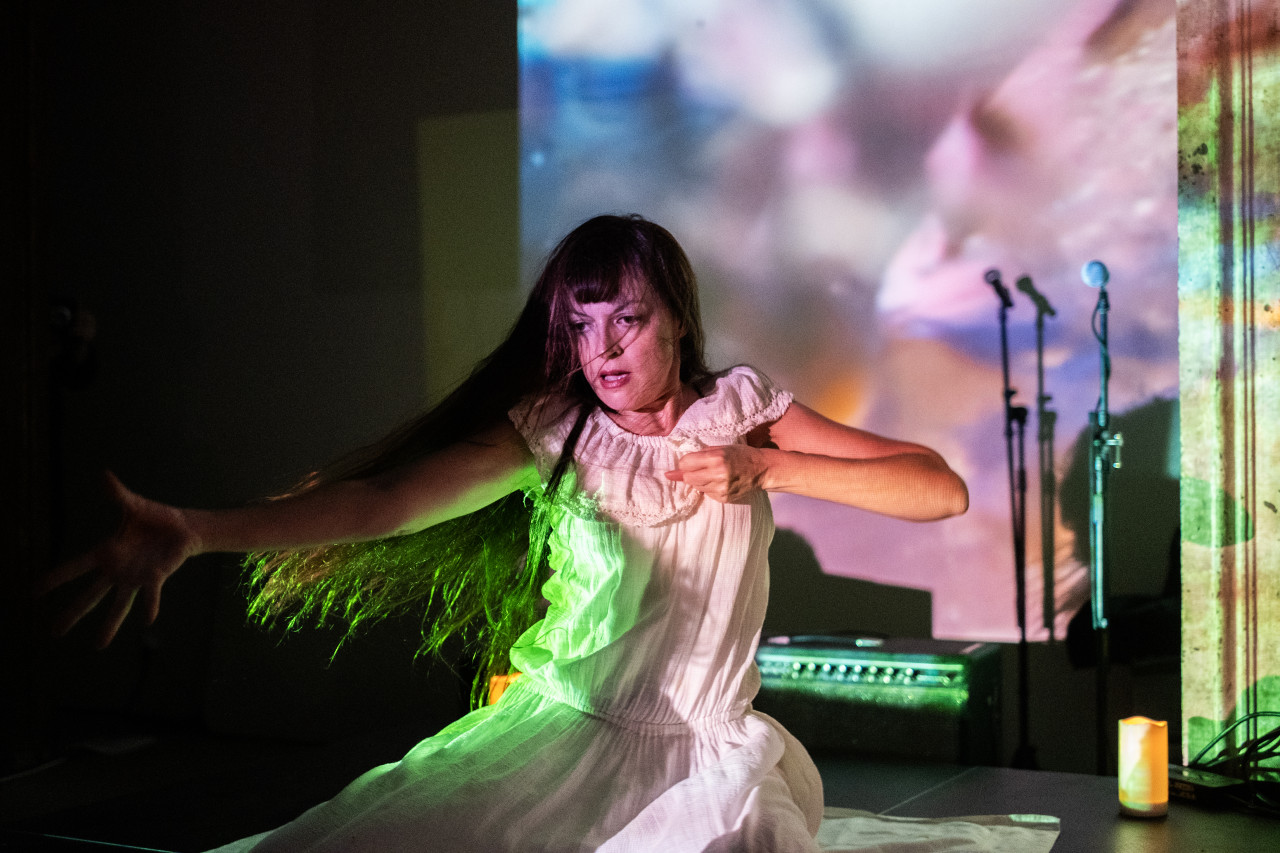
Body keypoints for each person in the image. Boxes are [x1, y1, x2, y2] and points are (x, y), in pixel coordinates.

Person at [39, 214, 968, 852]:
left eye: (628, 320)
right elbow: (385, 503)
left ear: (679, 319)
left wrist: (768, 466)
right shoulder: (556, 433)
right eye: (582, 324)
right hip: (565, 731)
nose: (601, 350)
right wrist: (197, 532)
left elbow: (940, 488)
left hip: (710, 753)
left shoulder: (743, 408)